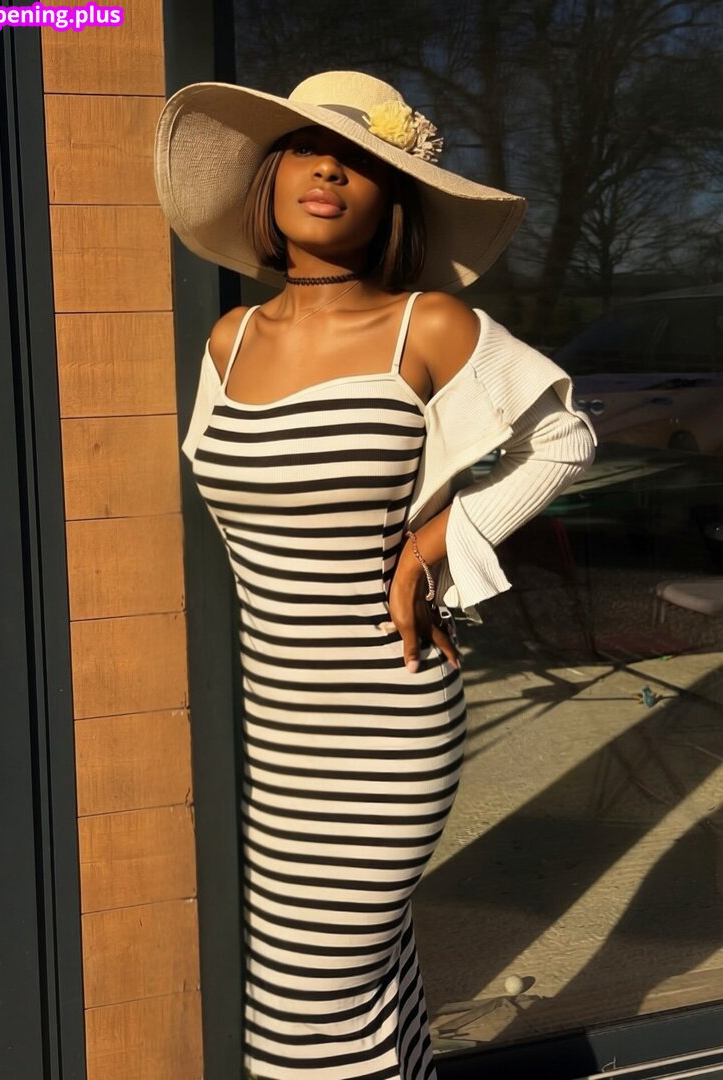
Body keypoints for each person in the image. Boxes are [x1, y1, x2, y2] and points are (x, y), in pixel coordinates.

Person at [154, 70, 596, 1080]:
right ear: (269, 180)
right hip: (271, 729)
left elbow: (564, 438)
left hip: (384, 718)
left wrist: (436, 542)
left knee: (307, 1007)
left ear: (390, 198)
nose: (329, 172)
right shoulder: (228, 340)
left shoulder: (426, 325)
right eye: (309, 151)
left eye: (359, 163)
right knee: (368, 986)